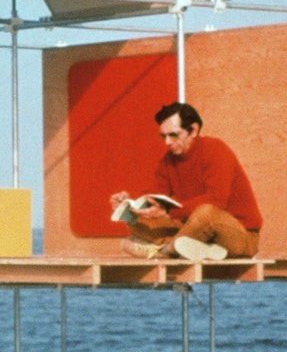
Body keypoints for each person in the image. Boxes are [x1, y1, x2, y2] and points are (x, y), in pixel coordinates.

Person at [109, 102, 262, 260]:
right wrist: (129, 202)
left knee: (206, 212)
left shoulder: (215, 149)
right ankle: (197, 249)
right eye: (164, 136)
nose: (167, 142)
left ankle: (166, 251)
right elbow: (154, 195)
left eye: (174, 135)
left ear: (193, 130)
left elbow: (217, 200)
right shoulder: (169, 160)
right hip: (195, 230)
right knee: (135, 222)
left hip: (239, 235)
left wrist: (168, 212)